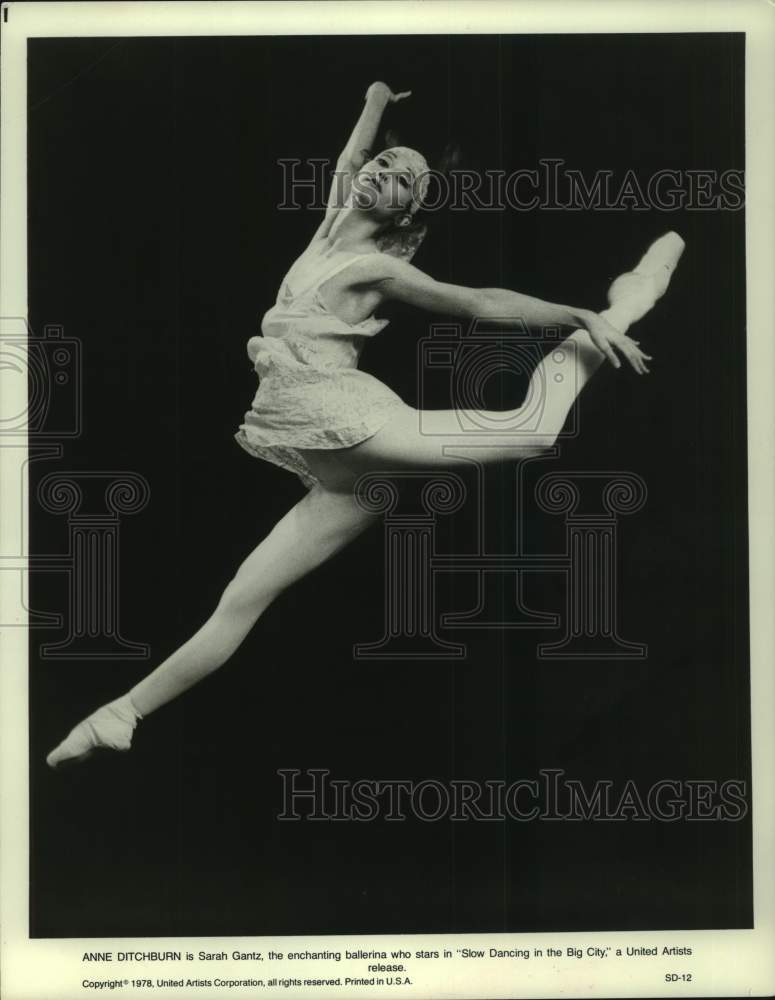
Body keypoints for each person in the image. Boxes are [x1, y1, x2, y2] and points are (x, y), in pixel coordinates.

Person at [46, 82, 684, 768]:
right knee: (242, 596)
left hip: (350, 422)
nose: (380, 172)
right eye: (384, 164)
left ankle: (623, 305)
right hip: (340, 470)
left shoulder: (373, 267)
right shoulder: (327, 232)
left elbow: (476, 303)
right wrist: (376, 101)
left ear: (404, 209)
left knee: (532, 430)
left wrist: (576, 314)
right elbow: (351, 160)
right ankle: (120, 713)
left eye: (400, 176)